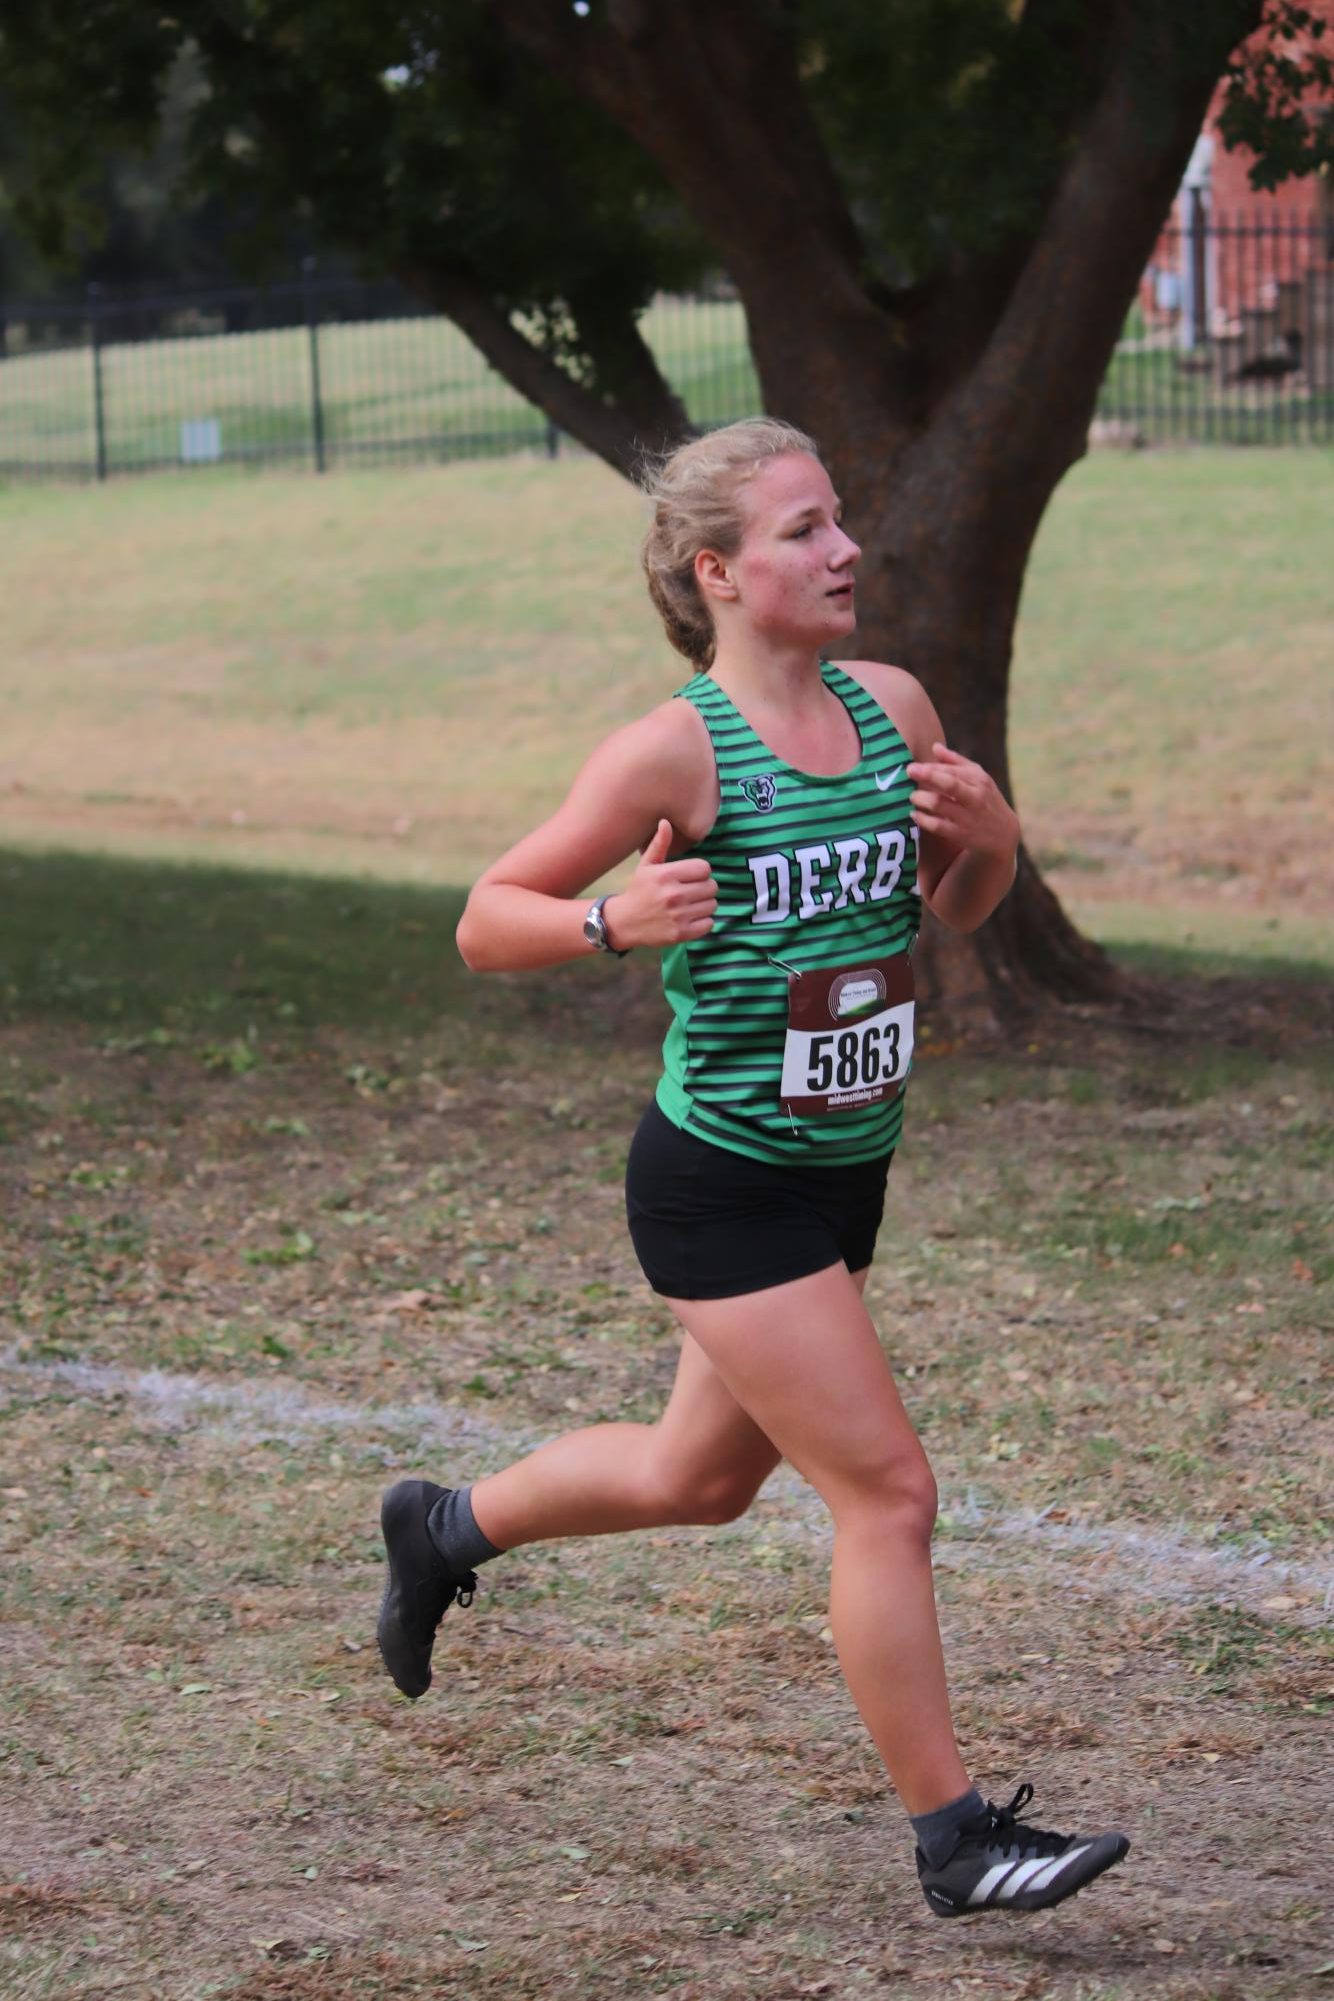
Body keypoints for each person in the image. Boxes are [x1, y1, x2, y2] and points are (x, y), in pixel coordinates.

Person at [376, 417, 1128, 1918]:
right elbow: (485, 914)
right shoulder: (675, 749)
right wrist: (608, 922)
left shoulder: (892, 707)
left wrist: (992, 834)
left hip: (846, 1168)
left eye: (836, 519)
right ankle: (954, 1841)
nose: (843, 547)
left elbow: (956, 913)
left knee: (695, 1477)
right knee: (888, 1494)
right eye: (802, 530)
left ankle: (442, 1523)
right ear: (717, 571)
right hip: (720, 1182)